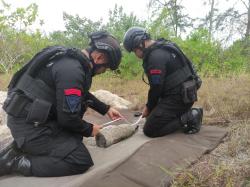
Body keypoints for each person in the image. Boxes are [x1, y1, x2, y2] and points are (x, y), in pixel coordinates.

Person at [0, 31, 123, 177]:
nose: (104, 71)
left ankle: (22, 147)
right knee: (80, 159)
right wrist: (90, 129)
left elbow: (80, 93)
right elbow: (68, 119)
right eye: (106, 67)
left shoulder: (69, 61)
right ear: (99, 57)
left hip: (31, 120)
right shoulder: (73, 71)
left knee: (75, 137)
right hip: (30, 127)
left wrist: (106, 109)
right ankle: (15, 162)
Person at [123, 27, 203, 138]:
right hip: (185, 93)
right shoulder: (163, 46)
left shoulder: (155, 57)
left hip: (179, 97)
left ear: (140, 43)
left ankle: (191, 116)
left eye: (134, 50)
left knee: (150, 129)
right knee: (154, 115)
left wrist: (149, 107)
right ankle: (182, 113)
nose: (135, 54)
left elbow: (156, 88)